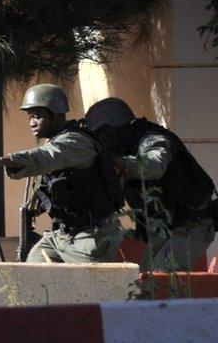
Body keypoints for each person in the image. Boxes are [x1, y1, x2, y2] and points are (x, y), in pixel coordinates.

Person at [0, 84, 123, 263]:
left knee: (90, 286)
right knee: (32, 270)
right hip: (61, 235)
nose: (32, 123)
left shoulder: (76, 142)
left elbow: (45, 156)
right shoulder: (52, 141)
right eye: (30, 117)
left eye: (37, 116)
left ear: (56, 116)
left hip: (89, 236)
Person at [86, 97, 216, 271]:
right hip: (164, 229)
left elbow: (155, 166)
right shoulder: (125, 148)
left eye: (101, 134)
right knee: (146, 282)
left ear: (114, 130)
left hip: (191, 225)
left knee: (160, 282)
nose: (101, 141)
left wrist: (119, 163)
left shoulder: (152, 139)